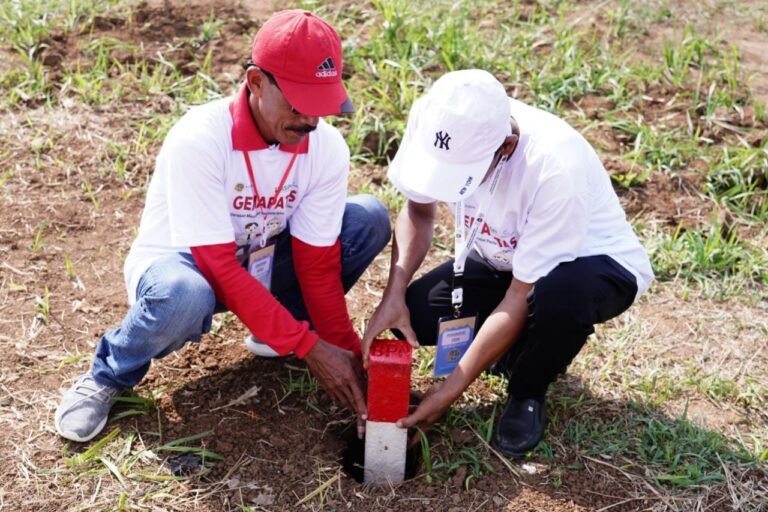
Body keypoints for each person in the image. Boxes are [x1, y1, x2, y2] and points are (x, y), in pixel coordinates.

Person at [55, 10, 391, 443]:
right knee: (182, 297)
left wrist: (348, 354)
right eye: (298, 105)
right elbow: (216, 265)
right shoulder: (201, 138)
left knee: (366, 219)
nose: (309, 121)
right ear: (255, 82)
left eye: (320, 108)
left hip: (261, 258)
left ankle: (280, 328)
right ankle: (108, 374)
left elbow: (317, 266)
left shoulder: (324, 148)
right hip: (187, 266)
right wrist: (311, 349)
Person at [362, 69, 653, 458]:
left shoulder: (552, 167)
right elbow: (418, 208)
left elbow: (521, 292)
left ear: (506, 146)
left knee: (560, 298)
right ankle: (512, 348)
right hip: (501, 258)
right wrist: (393, 293)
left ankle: (527, 391)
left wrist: (449, 391)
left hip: (589, 265)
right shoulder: (437, 118)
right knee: (416, 315)